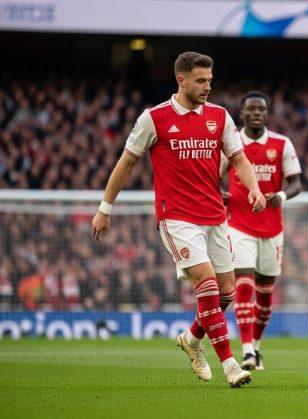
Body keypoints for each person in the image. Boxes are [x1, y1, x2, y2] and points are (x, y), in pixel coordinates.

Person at [91, 52, 266, 388]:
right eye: (200, 81)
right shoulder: (153, 118)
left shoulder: (219, 116)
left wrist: (255, 188)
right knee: (208, 285)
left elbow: (239, 159)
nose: (207, 87)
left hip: (215, 215)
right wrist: (104, 208)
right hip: (177, 217)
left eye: (210, 81)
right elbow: (125, 164)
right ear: (181, 80)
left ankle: (192, 338)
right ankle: (230, 365)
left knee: (226, 294)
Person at [221, 91, 302, 370]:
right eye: (251, 109)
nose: (256, 113)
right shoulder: (231, 142)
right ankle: (245, 352)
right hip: (239, 224)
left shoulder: (281, 144)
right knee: (243, 285)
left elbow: (296, 183)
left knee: (266, 293)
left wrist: (282, 195)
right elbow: (212, 175)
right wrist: (221, 193)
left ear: (266, 114)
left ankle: (255, 347)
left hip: (272, 227)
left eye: (261, 110)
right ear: (242, 114)